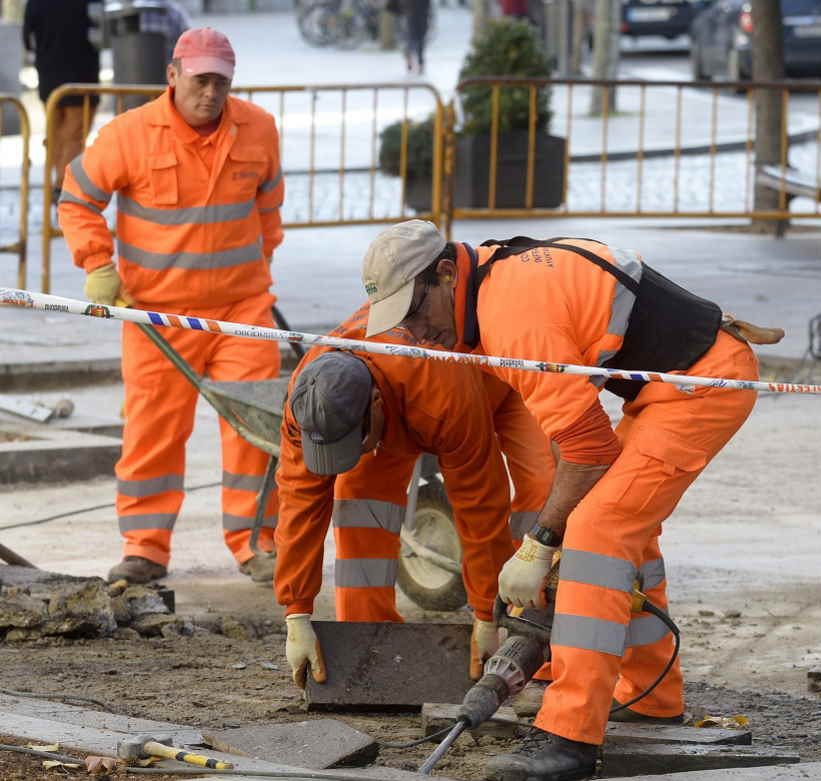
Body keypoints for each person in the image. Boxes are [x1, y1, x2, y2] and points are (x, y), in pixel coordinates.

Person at [359, 220, 781, 781]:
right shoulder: (496, 278)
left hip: (703, 385)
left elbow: (588, 450)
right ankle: (652, 699)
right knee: (624, 526)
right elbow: (570, 439)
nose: (415, 332)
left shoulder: (512, 318)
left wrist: (538, 544)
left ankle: (569, 737)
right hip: (674, 380)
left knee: (599, 530)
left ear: (443, 273)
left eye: (415, 313)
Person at [58, 28, 286, 586]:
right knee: (153, 433)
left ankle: (257, 542)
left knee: (256, 429)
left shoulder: (258, 128)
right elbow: (77, 198)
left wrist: (254, 276)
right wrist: (97, 264)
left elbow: (269, 212)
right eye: (201, 80)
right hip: (156, 316)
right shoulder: (129, 134)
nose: (211, 93)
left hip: (241, 313)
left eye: (221, 82)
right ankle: (145, 548)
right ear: (173, 76)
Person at [274, 297, 555, 687]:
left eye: (355, 442)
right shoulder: (310, 399)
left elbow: (480, 508)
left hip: (503, 383)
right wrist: (296, 614)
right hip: (400, 401)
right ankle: (368, 644)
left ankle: (533, 642)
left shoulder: (441, 393)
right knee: (357, 498)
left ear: (374, 405)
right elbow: (298, 505)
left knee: (547, 497)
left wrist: (485, 615)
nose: (348, 455)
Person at [22, 0, 101, 200]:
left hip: (49, 77)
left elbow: (28, 40)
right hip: (82, 76)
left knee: (55, 133)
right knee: (74, 135)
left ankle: (56, 184)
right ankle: (63, 187)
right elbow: (102, 34)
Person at [402, 0, 432, 74]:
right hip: (415, 19)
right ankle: (417, 62)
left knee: (418, 42)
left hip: (419, 19)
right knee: (415, 41)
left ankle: (419, 63)